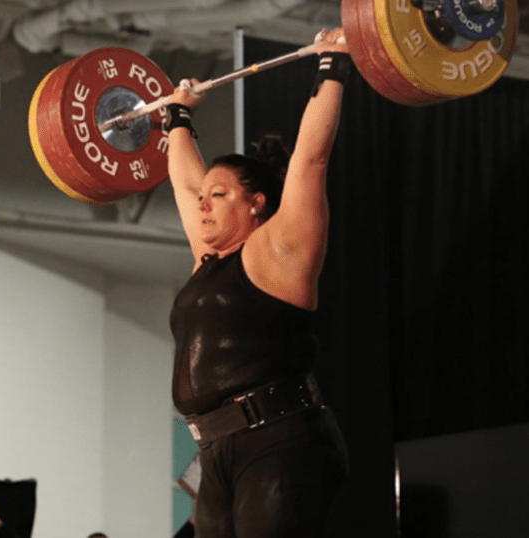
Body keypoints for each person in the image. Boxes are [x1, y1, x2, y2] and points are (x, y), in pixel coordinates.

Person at [164, 27, 350, 538]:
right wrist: (178, 114)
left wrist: (332, 66)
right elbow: (183, 182)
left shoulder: (279, 249)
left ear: (257, 204)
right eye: (205, 195)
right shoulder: (209, 258)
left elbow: (311, 159)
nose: (202, 202)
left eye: (218, 194)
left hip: (280, 441)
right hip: (217, 451)